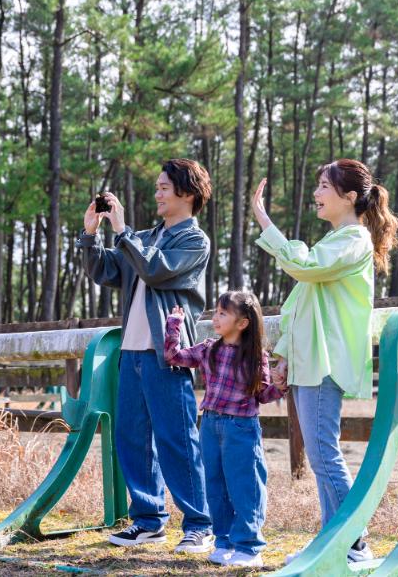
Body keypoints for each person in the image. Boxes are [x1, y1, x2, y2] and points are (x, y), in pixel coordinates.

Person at [251, 158, 398, 565]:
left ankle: (354, 543)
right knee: (320, 454)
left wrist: (264, 220)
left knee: (322, 454)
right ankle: (333, 542)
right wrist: (283, 356)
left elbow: (303, 267)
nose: (316, 194)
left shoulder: (353, 240)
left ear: (348, 197)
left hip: (325, 361)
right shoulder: (335, 241)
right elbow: (300, 305)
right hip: (309, 361)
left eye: (323, 187)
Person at [77, 159, 215, 554]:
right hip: (131, 353)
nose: (156, 194)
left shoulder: (194, 241)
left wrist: (123, 232)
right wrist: (91, 235)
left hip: (167, 355)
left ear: (187, 193)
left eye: (163, 188)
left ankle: (200, 525)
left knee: (177, 440)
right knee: (133, 439)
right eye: (157, 187)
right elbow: (106, 271)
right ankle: (148, 521)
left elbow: (155, 270)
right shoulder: (143, 238)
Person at [164, 293, 281, 568]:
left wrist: (280, 386)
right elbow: (174, 356)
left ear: (242, 323)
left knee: (245, 486)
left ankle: (249, 547)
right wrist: (174, 325)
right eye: (216, 312)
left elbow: (263, 395)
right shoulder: (208, 349)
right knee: (215, 486)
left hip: (241, 428)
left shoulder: (256, 357)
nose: (215, 318)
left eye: (222, 313)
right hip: (210, 425)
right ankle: (224, 542)